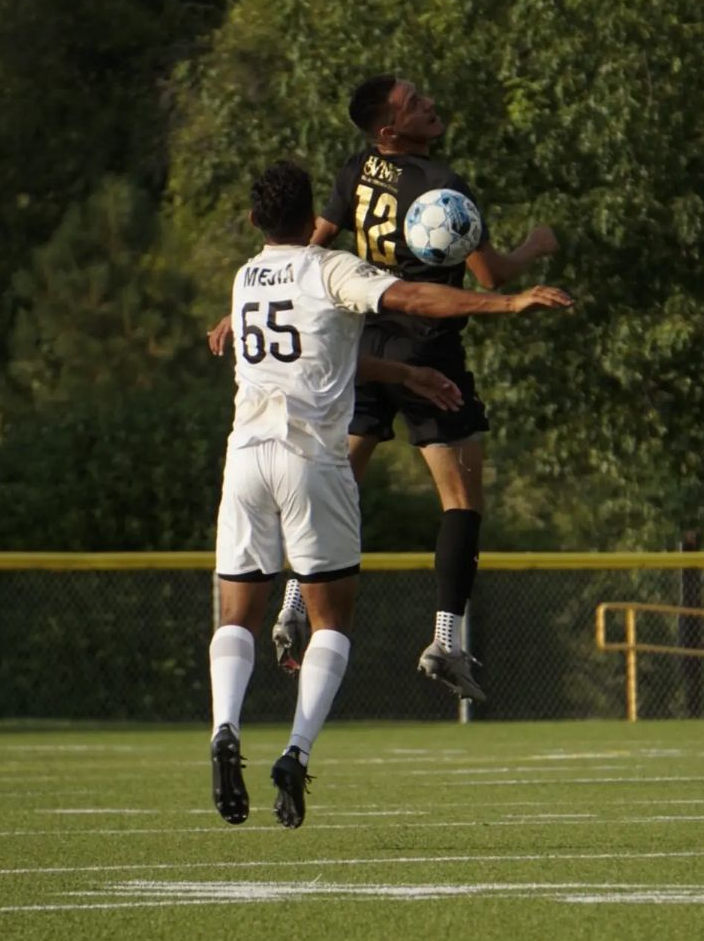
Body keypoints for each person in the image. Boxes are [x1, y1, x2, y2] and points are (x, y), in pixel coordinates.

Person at [209, 160, 571, 829]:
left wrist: (402, 371)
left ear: (258, 220)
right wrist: (507, 301)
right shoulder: (330, 269)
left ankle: (224, 727)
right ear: (311, 211)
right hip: (310, 459)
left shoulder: (244, 278)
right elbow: (417, 299)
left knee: (235, 614)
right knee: (332, 623)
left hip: (244, 459)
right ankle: (295, 750)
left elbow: (323, 351)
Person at [267, 74, 560, 699]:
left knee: (337, 478)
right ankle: (446, 641)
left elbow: (305, 250)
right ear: (389, 129)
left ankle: (292, 600)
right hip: (428, 347)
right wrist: (534, 248)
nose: (430, 104)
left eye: (424, 95)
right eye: (414, 105)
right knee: (460, 499)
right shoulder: (443, 186)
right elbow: (490, 273)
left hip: (361, 344)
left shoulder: (355, 170)